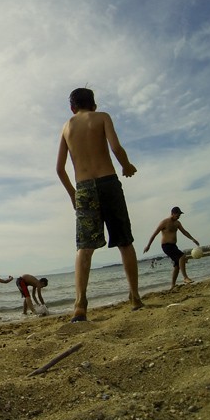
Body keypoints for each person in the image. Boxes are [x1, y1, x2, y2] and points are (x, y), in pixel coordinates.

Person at [55, 87, 144, 322]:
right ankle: (134, 296)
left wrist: (73, 194)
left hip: (83, 188)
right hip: (108, 184)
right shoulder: (102, 117)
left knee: (84, 248)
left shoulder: (66, 127)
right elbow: (115, 148)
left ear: (72, 108)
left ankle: (80, 304)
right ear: (93, 105)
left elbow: (59, 169)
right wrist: (126, 165)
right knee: (125, 241)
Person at [143, 206, 200, 289]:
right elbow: (154, 234)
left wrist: (193, 239)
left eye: (179, 215)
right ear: (172, 214)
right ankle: (185, 278)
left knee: (177, 265)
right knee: (182, 256)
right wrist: (148, 246)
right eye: (177, 215)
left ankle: (173, 285)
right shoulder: (164, 222)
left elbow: (184, 232)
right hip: (166, 246)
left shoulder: (177, 223)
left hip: (173, 246)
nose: (178, 216)